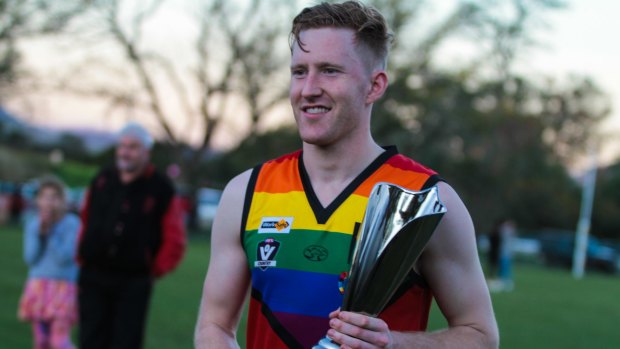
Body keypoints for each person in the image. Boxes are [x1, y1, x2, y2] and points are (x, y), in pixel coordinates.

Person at [194, 1, 499, 348]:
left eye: (329, 70)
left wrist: (393, 344)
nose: (308, 88)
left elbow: (481, 337)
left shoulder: (426, 199)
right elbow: (214, 327)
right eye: (299, 71)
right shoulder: (246, 192)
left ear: (374, 86)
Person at [77, 122, 186, 349]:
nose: (126, 152)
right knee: (90, 339)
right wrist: (81, 254)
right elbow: (85, 218)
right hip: (93, 275)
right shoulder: (102, 179)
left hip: (132, 281)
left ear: (146, 152)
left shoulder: (161, 188)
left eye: (133, 147)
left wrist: (153, 269)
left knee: (126, 342)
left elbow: (175, 238)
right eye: (122, 146)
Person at [18, 176, 80, 349]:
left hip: (63, 288)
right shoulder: (33, 224)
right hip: (38, 287)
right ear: (38, 200)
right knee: (41, 342)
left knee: (58, 342)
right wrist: (40, 233)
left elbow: (65, 257)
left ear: (63, 200)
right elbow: (30, 258)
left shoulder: (72, 224)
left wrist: (51, 232)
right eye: (44, 196)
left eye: (54, 197)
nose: (49, 202)